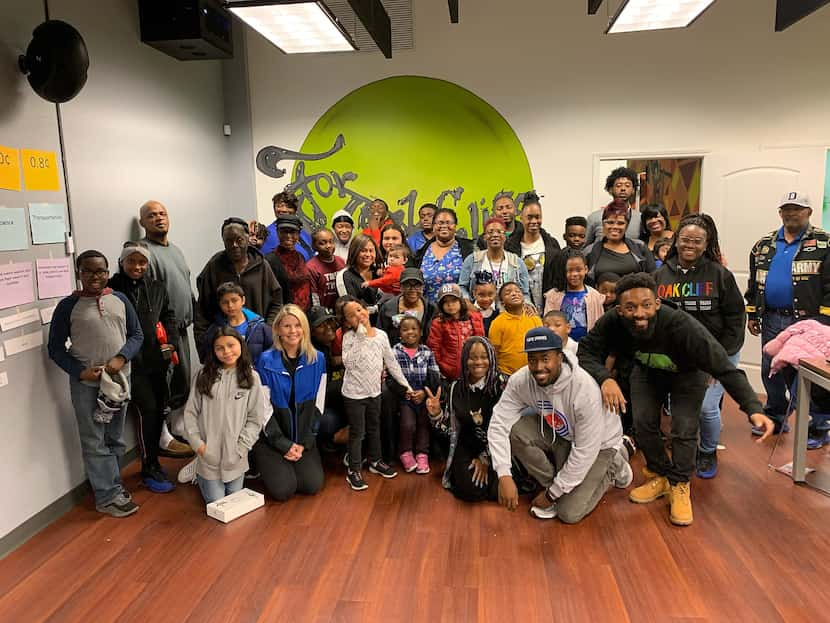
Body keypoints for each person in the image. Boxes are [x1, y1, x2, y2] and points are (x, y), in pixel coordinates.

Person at [578, 273, 775, 526]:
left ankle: (680, 484)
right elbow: (586, 351)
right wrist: (605, 378)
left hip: (688, 374)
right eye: (631, 307)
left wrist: (753, 407)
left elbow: (725, 368)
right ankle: (660, 475)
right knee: (643, 423)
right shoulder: (612, 322)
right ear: (619, 309)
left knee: (684, 428)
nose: (639, 313)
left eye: (646, 305)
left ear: (657, 304)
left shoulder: (683, 326)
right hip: (647, 371)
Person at [488, 327, 632, 523]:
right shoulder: (521, 381)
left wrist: (549, 497)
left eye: (545, 358)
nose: (538, 367)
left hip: (599, 445)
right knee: (516, 431)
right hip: (564, 434)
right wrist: (504, 473)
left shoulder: (584, 389)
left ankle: (615, 463)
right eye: (532, 359)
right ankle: (556, 487)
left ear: (560, 357)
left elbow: (584, 452)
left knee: (569, 514)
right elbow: (498, 424)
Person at [48, 250, 144, 518]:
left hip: (118, 383)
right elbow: (55, 348)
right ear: (79, 273)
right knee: (94, 440)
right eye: (88, 271)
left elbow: (137, 335)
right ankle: (106, 496)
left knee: (113, 437)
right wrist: (80, 372)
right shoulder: (68, 306)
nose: (95, 276)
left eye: (100, 271)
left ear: (107, 272)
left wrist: (121, 358)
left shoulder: (120, 299)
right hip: (88, 387)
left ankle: (113, 486)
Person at [655, 214, 745, 478]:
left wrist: (717, 364)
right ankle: (686, 443)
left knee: (706, 407)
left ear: (707, 245)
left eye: (697, 241)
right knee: (682, 405)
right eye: (685, 240)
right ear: (676, 241)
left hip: (718, 352)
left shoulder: (720, 275)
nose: (690, 245)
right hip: (678, 357)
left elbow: (736, 320)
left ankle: (707, 451)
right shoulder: (660, 274)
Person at [745, 191, 830, 440]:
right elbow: (754, 281)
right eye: (786, 208)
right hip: (772, 318)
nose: (791, 213)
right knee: (770, 369)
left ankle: (819, 425)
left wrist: (825, 320)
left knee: (811, 376)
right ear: (780, 212)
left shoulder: (825, 243)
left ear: (809, 212)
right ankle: (776, 415)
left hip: (811, 322)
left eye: (798, 208)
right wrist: (752, 314)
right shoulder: (764, 244)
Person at [108, 243, 178, 494]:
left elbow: (168, 316)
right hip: (129, 364)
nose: (137, 267)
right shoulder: (112, 288)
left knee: (160, 409)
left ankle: (154, 462)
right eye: (132, 262)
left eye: (142, 262)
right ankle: (148, 466)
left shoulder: (157, 287)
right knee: (147, 409)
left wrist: (170, 342)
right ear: (122, 261)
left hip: (156, 360)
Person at [139, 200, 195, 457]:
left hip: (182, 329)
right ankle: (162, 437)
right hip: (162, 333)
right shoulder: (143, 252)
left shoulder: (175, 250)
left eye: (162, 214)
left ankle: (178, 427)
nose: (159, 218)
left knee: (183, 379)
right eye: (152, 216)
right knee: (164, 383)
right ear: (143, 223)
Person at [339, 297, 414, 490]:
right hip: (354, 395)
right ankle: (353, 469)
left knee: (375, 427)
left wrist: (405, 385)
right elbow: (349, 363)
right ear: (347, 322)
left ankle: (376, 460)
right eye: (352, 314)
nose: (359, 315)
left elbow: (390, 361)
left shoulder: (381, 335)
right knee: (357, 432)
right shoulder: (349, 338)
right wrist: (361, 337)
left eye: (360, 309)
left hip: (375, 392)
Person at [254, 305, 327, 501]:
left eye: (297, 325)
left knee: (311, 485)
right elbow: (263, 409)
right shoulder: (265, 360)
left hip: (303, 438)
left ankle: (295, 457)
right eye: (287, 326)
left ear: (304, 329)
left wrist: (305, 442)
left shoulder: (318, 359)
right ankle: (266, 462)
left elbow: (318, 404)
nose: (293, 331)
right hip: (272, 438)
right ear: (277, 329)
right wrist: (282, 444)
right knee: (283, 491)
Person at [183, 327, 264, 504]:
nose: (226, 351)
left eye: (231, 345)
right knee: (217, 504)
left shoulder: (252, 378)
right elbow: (190, 413)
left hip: (235, 458)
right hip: (208, 457)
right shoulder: (203, 376)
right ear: (213, 351)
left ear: (241, 345)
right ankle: (197, 469)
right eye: (220, 348)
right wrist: (199, 446)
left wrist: (241, 448)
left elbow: (255, 419)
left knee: (233, 504)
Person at [426, 337, 508, 501]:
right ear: (464, 359)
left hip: (499, 447)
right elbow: (450, 430)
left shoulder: (502, 385)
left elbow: (510, 428)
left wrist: (485, 458)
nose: (478, 362)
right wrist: (436, 414)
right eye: (472, 357)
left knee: (501, 484)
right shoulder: (455, 387)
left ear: (492, 358)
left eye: (484, 356)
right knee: (469, 490)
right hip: (467, 444)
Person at [194, 218, 282, 349]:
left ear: (248, 238)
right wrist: (203, 345)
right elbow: (202, 310)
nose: (234, 245)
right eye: (229, 241)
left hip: (257, 344)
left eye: (239, 240)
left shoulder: (262, 265)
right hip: (225, 347)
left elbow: (276, 302)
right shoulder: (214, 267)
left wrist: (267, 330)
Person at [392, 316, 441, 474]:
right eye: (405, 329)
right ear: (399, 333)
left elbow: (434, 375)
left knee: (423, 424)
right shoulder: (395, 351)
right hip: (405, 396)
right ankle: (405, 451)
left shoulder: (427, 352)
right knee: (407, 424)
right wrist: (403, 391)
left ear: (420, 332)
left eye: (414, 329)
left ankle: (422, 453)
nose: (410, 332)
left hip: (423, 394)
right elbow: (390, 376)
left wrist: (424, 393)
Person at [505, 192, 560, 311]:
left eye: (537, 217)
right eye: (529, 217)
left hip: (549, 307)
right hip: (520, 308)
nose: (534, 221)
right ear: (521, 218)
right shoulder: (510, 246)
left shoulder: (552, 245)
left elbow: (558, 278)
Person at [410, 207, 475, 303]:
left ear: (455, 225)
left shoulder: (468, 249)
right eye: (440, 223)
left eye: (448, 222)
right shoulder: (422, 252)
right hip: (429, 311)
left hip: (459, 311)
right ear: (433, 226)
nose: (444, 226)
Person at [459, 217, 530, 304]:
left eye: (499, 232)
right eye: (490, 232)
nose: (495, 235)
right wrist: (468, 303)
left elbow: (525, 293)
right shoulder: (473, 260)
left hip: (509, 313)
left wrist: (528, 305)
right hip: (479, 312)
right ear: (484, 237)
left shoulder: (517, 262)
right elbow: (462, 287)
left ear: (505, 236)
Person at [200, 282, 273, 365]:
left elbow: (271, 355)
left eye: (234, 300)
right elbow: (208, 357)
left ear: (243, 300)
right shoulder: (215, 329)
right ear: (219, 304)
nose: (230, 305)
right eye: (225, 302)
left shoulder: (259, 327)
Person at [584, 204, 656, 284]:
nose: (615, 227)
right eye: (610, 222)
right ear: (603, 224)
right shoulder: (590, 251)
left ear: (627, 225)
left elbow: (653, 277)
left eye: (620, 223)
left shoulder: (639, 247)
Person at [427, 284, 486, 380]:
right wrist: (441, 368)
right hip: (450, 373)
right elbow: (434, 348)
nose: (450, 305)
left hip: (474, 369)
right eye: (445, 302)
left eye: (454, 300)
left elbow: (482, 342)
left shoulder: (475, 318)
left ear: (461, 301)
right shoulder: (438, 323)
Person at [308, 306, 347, 446]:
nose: (328, 327)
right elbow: (318, 394)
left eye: (330, 322)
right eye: (321, 325)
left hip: (340, 404)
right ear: (311, 332)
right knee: (326, 424)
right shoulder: (311, 354)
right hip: (321, 407)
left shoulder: (338, 342)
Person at [543, 253, 605, 342]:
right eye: (570, 270)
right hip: (560, 346)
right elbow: (547, 323)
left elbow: (600, 325)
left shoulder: (594, 296)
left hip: (587, 347)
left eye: (578, 270)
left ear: (586, 269)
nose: (574, 274)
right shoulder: (553, 295)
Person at [488, 282, 542, 376]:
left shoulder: (534, 319)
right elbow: (494, 351)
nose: (514, 294)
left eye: (518, 291)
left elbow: (542, 346)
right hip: (506, 373)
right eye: (508, 293)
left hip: (532, 372)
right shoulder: (497, 323)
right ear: (502, 302)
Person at [375, 267, 437, 345]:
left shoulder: (431, 309)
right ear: (401, 287)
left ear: (422, 287)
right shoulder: (388, 308)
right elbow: (380, 337)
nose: (412, 289)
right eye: (408, 285)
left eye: (417, 285)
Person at [265, 215, 312, 311]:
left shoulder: (300, 257)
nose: (288, 236)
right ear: (277, 233)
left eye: (293, 232)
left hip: (304, 314)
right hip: (284, 314)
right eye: (284, 232)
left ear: (298, 235)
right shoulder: (269, 260)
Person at [585, 167, 642, 245]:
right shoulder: (594, 217)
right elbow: (584, 247)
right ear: (610, 189)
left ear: (633, 190)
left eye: (627, 185)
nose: (623, 189)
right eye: (618, 185)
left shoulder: (640, 218)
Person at [261, 190, 315, 259]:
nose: (284, 209)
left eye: (288, 206)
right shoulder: (266, 233)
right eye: (279, 206)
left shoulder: (304, 233)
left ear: (295, 210)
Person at [335, 234, 382, 313]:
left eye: (371, 251)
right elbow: (352, 308)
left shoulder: (379, 272)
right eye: (363, 251)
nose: (368, 255)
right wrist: (379, 308)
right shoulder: (344, 275)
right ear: (354, 252)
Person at [307, 228, 346, 311]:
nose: (328, 246)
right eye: (322, 243)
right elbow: (314, 295)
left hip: (341, 310)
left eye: (331, 241)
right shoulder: (311, 267)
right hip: (324, 311)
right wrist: (319, 313)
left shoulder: (341, 261)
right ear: (314, 246)